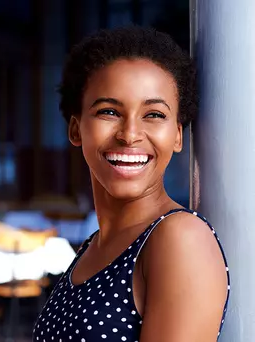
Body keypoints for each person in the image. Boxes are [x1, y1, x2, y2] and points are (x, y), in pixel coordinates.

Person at [33, 26, 230, 342]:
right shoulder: (92, 247)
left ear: (177, 135)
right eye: (109, 111)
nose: (130, 134)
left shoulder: (179, 238)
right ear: (76, 129)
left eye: (153, 115)